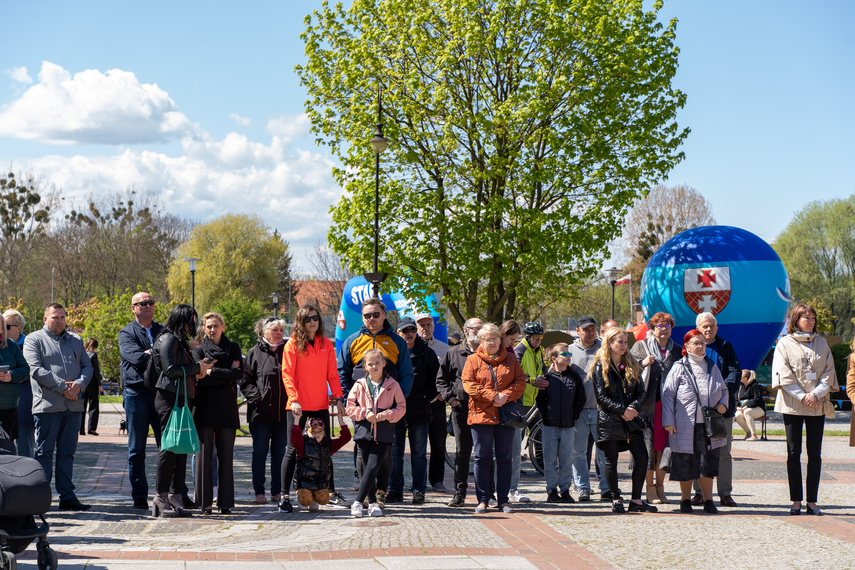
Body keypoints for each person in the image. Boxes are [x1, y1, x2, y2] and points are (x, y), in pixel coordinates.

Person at [338, 298, 412, 498]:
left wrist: (398, 401)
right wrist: (348, 399)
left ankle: (385, 489)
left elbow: (406, 374)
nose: (371, 318)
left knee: (388, 449)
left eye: (375, 314)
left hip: (388, 407)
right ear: (362, 317)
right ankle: (364, 488)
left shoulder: (397, 342)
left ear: (384, 315)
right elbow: (342, 372)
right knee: (361, 448)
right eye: (367, 315)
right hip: (362, 408)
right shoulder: (352, 341)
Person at [23, 303, 93, 511]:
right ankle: (41, 497)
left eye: (62, 317)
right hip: (47, 406)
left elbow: (87, 367)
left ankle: (67, 496)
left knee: (67, 452)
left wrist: (79, 386)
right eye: (55, 317)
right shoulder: (33, 339)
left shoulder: (76, 340)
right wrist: (64, 387)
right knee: (44, 452)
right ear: (45, 319)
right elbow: (36, 370)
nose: (60, 321)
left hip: (73, 405)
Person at [772, 303, 838, 516]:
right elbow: (783, 374)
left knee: (815, 454)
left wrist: (815, 395)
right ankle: (796, 501)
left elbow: (828, 374)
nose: (810, 321)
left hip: (816, 405)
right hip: (792, 405)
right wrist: (802, 396)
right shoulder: (784, 343)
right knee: (793, 453)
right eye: (805, 317)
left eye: (812, 317)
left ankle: (812, 501)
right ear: (795, 320)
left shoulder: (822, 343)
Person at [280, 304, 346, 512]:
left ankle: (329, 492)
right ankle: (284, 496)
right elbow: (287, 374)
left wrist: (339, 397)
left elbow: (333, 375)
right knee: (293, 449)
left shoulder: (326, 344)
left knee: (324, 449)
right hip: (298, 406)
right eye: (308, 319)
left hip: (320, 406)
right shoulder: (292, 344)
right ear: (301, 322)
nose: (312, 322)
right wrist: (294, 398)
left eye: (315, 318)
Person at [152, 304, 213, 518]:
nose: (192, 326)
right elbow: (170, 370)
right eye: (191, 321)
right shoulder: (169, 339)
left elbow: (178, 369)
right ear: (182, 320)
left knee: (181, 448)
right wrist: (197, 368)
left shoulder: (177, 340)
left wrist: (197, 368)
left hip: (180, 398)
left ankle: (175, 494)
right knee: (169, 448)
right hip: (170, 399)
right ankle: (161, 495)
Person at [662, 329, 728, 514]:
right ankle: (685, 500)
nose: (700, 346)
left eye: (702, 343)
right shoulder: (679, 367)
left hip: (708, 425)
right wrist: (669, 421)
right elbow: (668, 395)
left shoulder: (712, 366)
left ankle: (708, 500)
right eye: (696, 343)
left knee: (707, 464)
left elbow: (724, 390)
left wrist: (723, 404)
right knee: (685, 463)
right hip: (684, 424)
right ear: (686, 346)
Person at [591, 327, 656, 514]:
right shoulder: (600, 365)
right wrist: (623, 410)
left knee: (642, 458)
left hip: (631, 421)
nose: (623, 345)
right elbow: (601, 397)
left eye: (625, 342)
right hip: (610, 421)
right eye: (619, 342)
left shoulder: (632, 363)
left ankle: (636, 499)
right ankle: (616, 498)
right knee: (611, 461)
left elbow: (641, 391)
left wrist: (632, 409)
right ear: (609, 343)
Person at [462, 323, 526, 514]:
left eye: (495, 338)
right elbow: (468, 384)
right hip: (481, 415)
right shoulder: (473, 360)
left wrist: (506, 395)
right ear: (480, 341)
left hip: (505, 416)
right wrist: (492, 396)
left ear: (500, 340)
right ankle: (482, 499)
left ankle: (503, 500)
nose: (492, 342)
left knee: (505, 458)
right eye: (488, 339)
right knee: (482, 458)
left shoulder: (512, 360)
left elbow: (520, 381)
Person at [191, 312, 243, 515]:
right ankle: (204, 503)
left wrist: (212, 371)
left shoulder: (233, 348)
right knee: (203, 458)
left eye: (215, 326)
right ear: (204, 328)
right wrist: (223, 374)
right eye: (208, 326)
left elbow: (238, 373)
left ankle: (226, 503)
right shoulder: (198, 349)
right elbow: (199, 376)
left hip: (227, 410)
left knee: (226, 458)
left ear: (223, 326)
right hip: (203, 409)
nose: (212, 330)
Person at [346, 348, 406, 517]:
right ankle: (372, 504)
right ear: (365, 366)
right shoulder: (359, 384)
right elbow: (351, 406)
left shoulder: (393, 385)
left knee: (373, 466)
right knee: (366, 469)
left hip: (384, 432)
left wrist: (387, 415)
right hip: (364, 431)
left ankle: (357, 502)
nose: (374, 367)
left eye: (377, 363)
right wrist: (365, 413)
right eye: (370, 364)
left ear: (383, 364)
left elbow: (401, 407)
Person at [629, 312, 681, 505]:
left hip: (668, 406)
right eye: (659, 326)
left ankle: (661, 487)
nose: (664, 329)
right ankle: (649, 489)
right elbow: (627, 371)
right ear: (652, 328)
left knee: (663, 449)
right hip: (647, 406)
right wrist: (642, 364)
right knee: (648, 448)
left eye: (667, 326)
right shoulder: (640, 347)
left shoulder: (677, 350)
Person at [437, 317, 490, 507]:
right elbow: (441, 381)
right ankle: (459, 494)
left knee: (484, 453)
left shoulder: (489, 353)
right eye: (478, 328)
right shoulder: (453, 353)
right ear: (466, 331)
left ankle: (486, 495)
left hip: (485, 409)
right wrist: (452, 400)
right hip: (461, 409)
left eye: (483, 328)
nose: (481, 331)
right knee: (462, 452)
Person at [119, 291, 165, 509]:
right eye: (142, 303)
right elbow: (136, 358)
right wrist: (157, 355)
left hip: (160, 394)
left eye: (150, 303)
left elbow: (171, 356)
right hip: (136, 395)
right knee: (137, 449)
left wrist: (149, 353)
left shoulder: (162, 330)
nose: (147, 306)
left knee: (166, 445)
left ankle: (166, 493)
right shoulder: (126, 333)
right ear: (133, 308)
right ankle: (139, 496)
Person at [692, 312, 741, 508]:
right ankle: (699, 493)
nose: (708, 329)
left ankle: (724, 493)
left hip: (722, 409)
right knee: (698, 450)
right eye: (705, 326)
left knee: (723, 451)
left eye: (712, 326)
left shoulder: (725, 347)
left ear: (717, 328)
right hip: (698, 409)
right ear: (698, 328)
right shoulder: (691, 348)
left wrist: (723, 400)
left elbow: (734, 374)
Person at [388, 317, 439, 504]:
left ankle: (419, 490)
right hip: (395, 412)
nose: (409, 334)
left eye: (412, 330)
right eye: (404, 331)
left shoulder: (427, 353)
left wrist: (424, 398)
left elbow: (436, 381)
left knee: (418, 454)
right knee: (395, 453)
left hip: (419, 411)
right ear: (398, 333)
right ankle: (395, 490)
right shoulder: (391, 352)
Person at [240, 317, 289, 505]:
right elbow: (245, 381)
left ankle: (278, 491)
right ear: (265, 331)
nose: (279, 333)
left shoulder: (288, 351)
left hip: (283, 414)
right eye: (275, 330)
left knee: (280, 453)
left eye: (281, 330)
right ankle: (259, 491)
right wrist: (257, 398)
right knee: (259, 452)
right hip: (260, 414)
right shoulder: (254, 352)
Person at [537, 343, 585, 503]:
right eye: (564, 354)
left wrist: (573, 415)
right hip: (550, 426)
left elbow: (580, 399)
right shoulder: (548, 378)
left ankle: (565, 490)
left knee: (566, 460)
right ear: (554, 359)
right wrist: (546, 415)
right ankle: (551, 490)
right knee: (549, 460)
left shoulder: (575, 377)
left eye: (569, 354)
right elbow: (540, 400)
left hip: (568, 426)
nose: (568, 357)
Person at [568, 315, 609, 501]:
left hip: (601, 409)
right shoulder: (569, 351)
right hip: (579, 411)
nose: (590, 333)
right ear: (578, 331)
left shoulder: (604, 349)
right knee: (578, 452)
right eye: (585, 329)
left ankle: (606, 488)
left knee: (604, 451)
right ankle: (583, 487)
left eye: (592, 329)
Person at [512, 321, 548, 503]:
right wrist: (533, 380)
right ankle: (513, 473)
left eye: (540, 338)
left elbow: (543, 368)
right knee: (517, 438)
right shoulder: (520, 350)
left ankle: (541, 467)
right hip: (523, 399)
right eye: (535, 338)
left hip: (535, 399)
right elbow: (517, 373)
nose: (538, 341)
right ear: (527, 337)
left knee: (538, 435)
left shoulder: (538, 351)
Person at [415, 312, 450, 493]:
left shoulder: (444, 349)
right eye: (421, 325)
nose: (425, 328)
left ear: (433, 326)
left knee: (438, 443)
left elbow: (451, 374)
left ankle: (437, 480)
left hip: (437, 402)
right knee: (418, 445)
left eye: (428, 324)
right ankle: (417, 482)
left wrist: (445, 394)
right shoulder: (410, 348)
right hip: (417, 403)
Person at [292, 417, 352, 511]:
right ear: (307, 432)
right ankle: (302, 497)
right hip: (304, 482)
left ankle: (314, 499)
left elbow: (346, 437)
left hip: (319, 483)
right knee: (305, 501)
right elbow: (294, 436)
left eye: (319, 431)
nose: (316, 434)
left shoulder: (329, 446)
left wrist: (341, 421)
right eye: (313, 432)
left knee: (324, 499)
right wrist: (297, 420)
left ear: (324, 433)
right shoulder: (303, 445)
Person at [5, 309, 34, 458]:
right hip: (4, 407)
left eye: (6, 326)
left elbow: (30, 372)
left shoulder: (30, 346)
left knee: (26, 452)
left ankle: (29, 481)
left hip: (23, 405)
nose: (2, 329)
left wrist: (11, 375)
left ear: (19, 328)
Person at [734, 370, 765, 441]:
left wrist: (747, 406)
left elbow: (757, 398)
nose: (739, 379)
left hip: (758, 408)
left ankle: (754, 435)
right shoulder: (740, 387)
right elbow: (736, 399)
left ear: (745, 378)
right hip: (743, 408)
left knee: (747, 412)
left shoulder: (754, 385)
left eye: (741, 377)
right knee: (737, 415)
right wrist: (737, 407)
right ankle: (748, 433)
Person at [80, 337, 102, 436]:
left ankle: (81, 429)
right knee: (93, 406)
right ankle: (91, 428)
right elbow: (96, 371)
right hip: (92, 383)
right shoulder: (94, 355)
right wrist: (99, 384)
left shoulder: (82, 354)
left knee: (82, 406)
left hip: (83, 383)